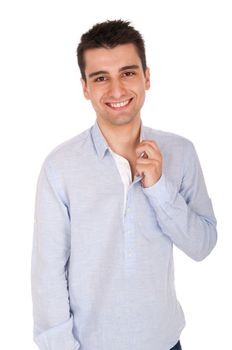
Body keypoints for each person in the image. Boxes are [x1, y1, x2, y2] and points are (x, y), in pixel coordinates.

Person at [31, 19, 217, 350]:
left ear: (147, 77)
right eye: (101, 78)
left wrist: (159, 188)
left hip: (166, 342)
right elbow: (47, 275)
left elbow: (202, 245)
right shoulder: (59, 167)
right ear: (85, 87)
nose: (117, 90)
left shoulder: (181, 152)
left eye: (128, 73)